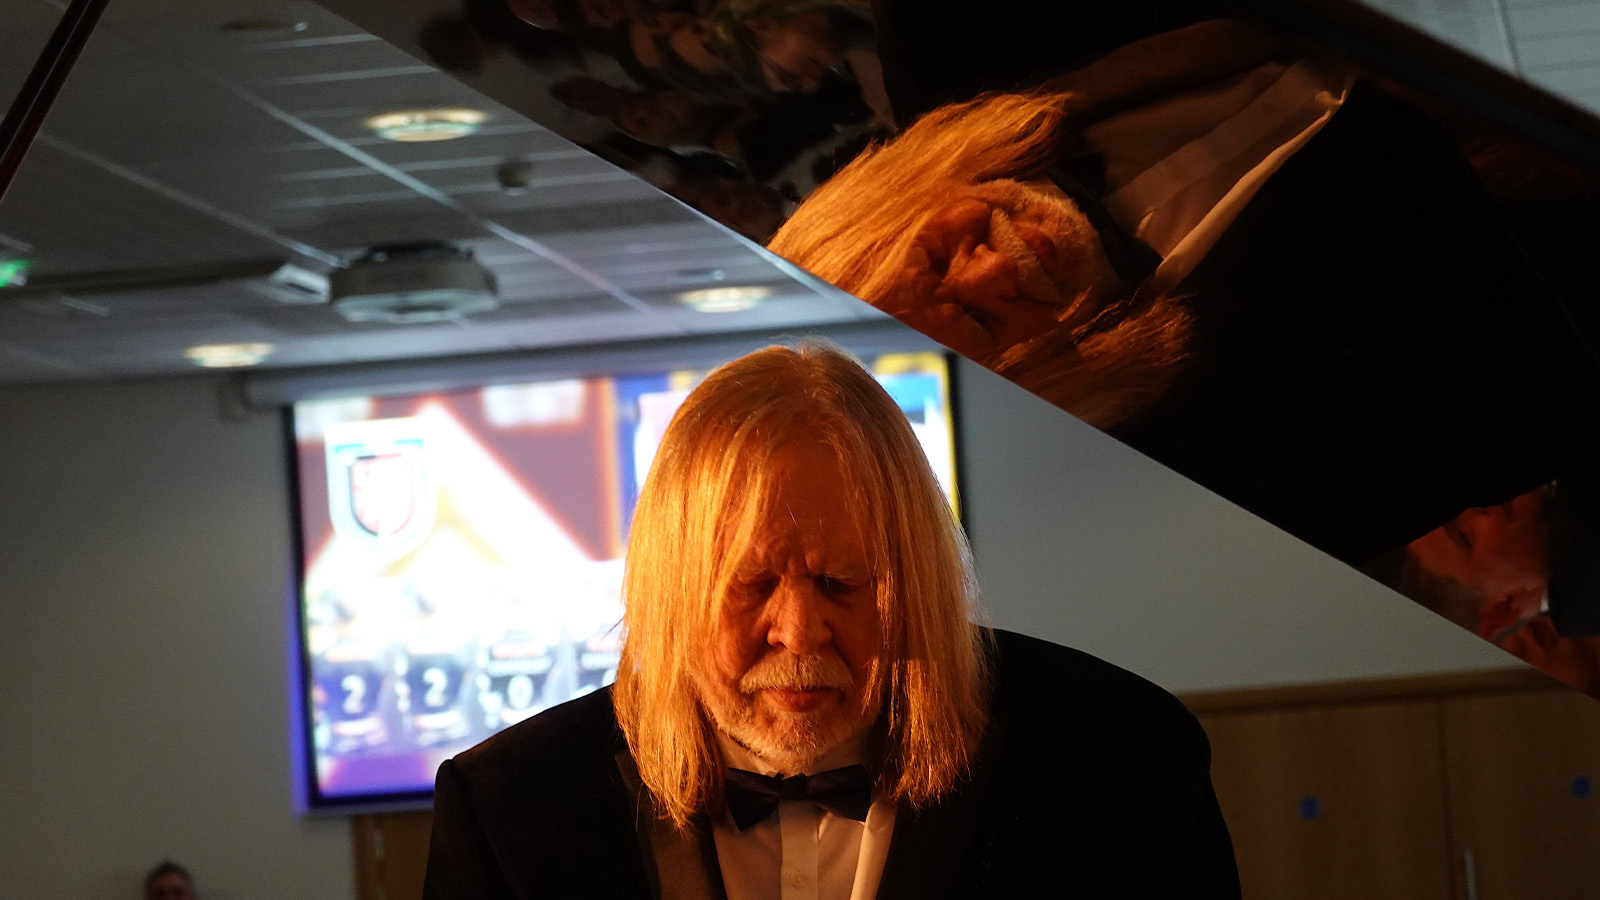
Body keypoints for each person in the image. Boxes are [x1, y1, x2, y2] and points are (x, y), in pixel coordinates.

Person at [423, 342, 1239, 898]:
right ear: (670, 593)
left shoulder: (1120, 759)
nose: (799, 632)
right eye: (748, 586)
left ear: (916, 580)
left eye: (843, 582)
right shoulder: (509, 807)